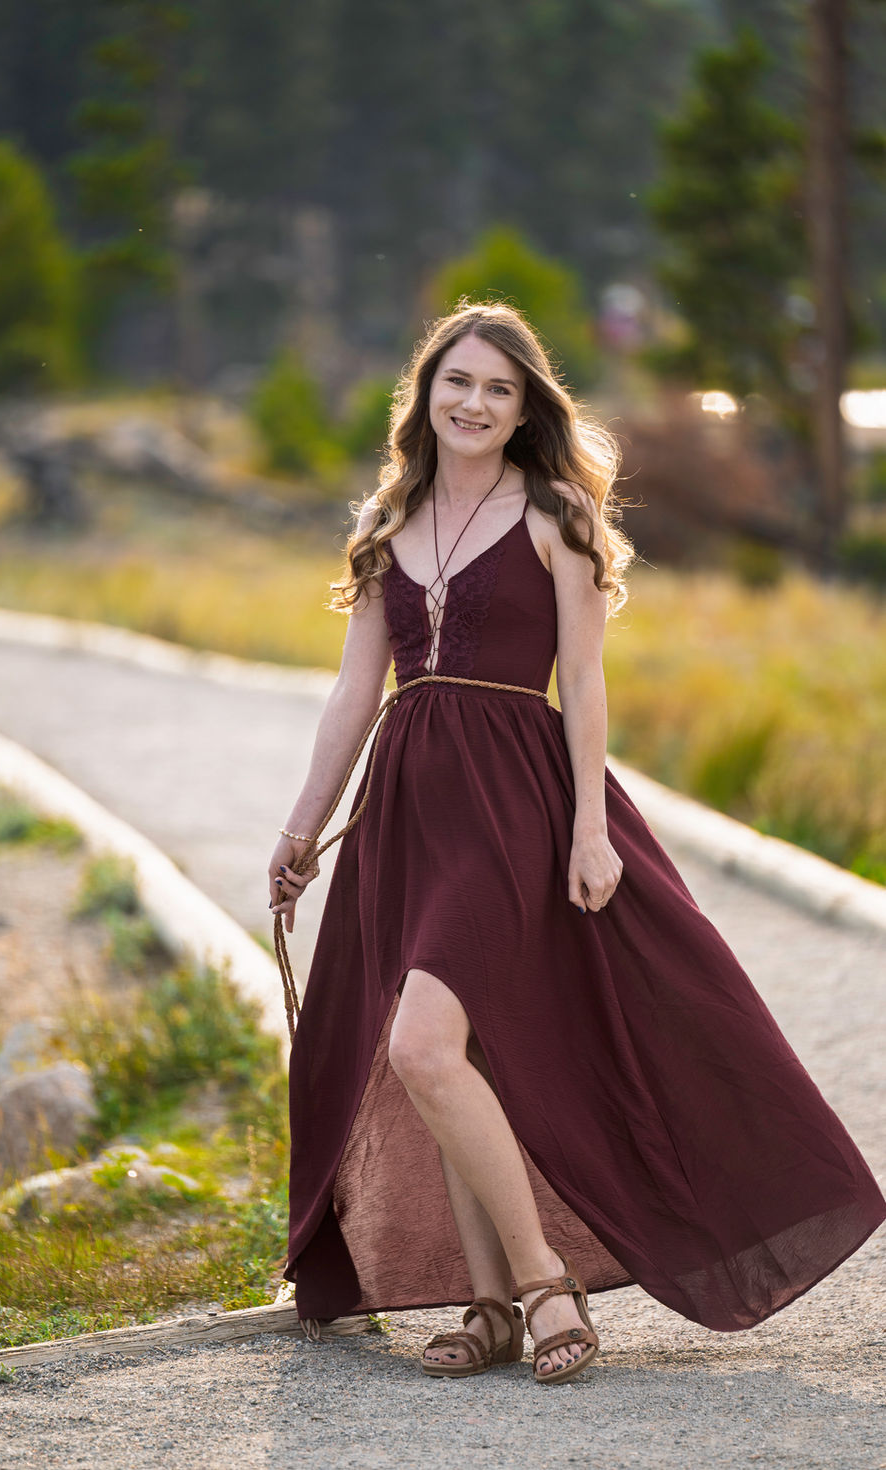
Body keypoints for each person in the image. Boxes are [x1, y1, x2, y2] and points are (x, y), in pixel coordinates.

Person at [267, 301, 886, 1386]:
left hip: (518, 802)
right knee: (442, 1054)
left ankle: (543, 1284)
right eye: (455, 382)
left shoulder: (554, 515)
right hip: (409, 811)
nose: (472, 403)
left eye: (498, 390)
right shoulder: (383, 524)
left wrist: (589, 830)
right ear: (425, 393)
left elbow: (584, 681)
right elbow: (352, 693)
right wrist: (300, 830)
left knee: (421, 1045)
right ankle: (490, 1304)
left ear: (524, 410)